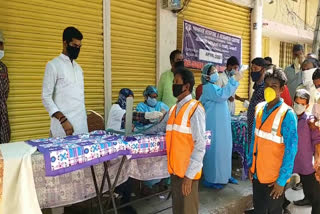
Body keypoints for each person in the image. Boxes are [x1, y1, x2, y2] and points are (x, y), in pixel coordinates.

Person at [143, 68, 206, 214]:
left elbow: (200, 144)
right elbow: (158, 127)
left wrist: (189, 176)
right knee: (177, 210)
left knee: (188, 211)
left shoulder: (195, 109)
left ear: (187, 86)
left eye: (176, 82)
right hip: (175, 173)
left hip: (188, 174)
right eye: (173, 82)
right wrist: (135, 133)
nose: (173, 85)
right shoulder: (172, 110)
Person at [248, 68, 298, 214]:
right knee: (259, 210)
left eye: (274, 86)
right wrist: (251, 165)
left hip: (274, 181)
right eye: (266, 85)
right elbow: (253, 139)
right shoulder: (259, 109)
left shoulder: (287, 115)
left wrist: (281, 181)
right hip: (257, 175)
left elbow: (291, 150)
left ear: (282, 89)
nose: (269, 89)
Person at [200, 63, 243, 189]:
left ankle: (225, 175)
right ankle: (212, 178)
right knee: (215, 151)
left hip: (222, 125)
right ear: (206, 76)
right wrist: (234, 80)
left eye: (216, 71)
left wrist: (233, 81)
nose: (216, 74)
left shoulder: (213, 87)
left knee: (225, 149)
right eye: (212, 72)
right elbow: (222, 95)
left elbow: (224, 94)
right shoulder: (208, 88)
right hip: (214, 126)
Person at [42, 27, 88, 138]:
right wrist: (63, 120)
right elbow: (46, 97)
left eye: (79, 46)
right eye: (74, 45)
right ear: (65, 43)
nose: (77, 49)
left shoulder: (78, 68)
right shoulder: (53, 65)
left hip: (81, 126)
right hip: (63, 127)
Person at [291, 89, 320, 213]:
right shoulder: (288, 117)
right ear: (293, 103)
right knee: (281, 190)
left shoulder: (310, 121)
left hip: (307, 165)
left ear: (307, 106)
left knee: (315, 195)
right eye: (297, 103)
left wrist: (317, 159)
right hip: (290, 164)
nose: (299, 106)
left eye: (302, 104)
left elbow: (317, 141)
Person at [247, 58, 267, 151]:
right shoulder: (257, 87)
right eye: (252, 69)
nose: (253, 71)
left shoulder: (265, 88)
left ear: (263, 70)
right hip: (252, 128)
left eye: (255, 69)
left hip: (260, 130)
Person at [0, 31, 10, 144]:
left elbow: (6, 92)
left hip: (3, 120)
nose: (2, 48)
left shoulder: (3, 68)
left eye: (2, 44)